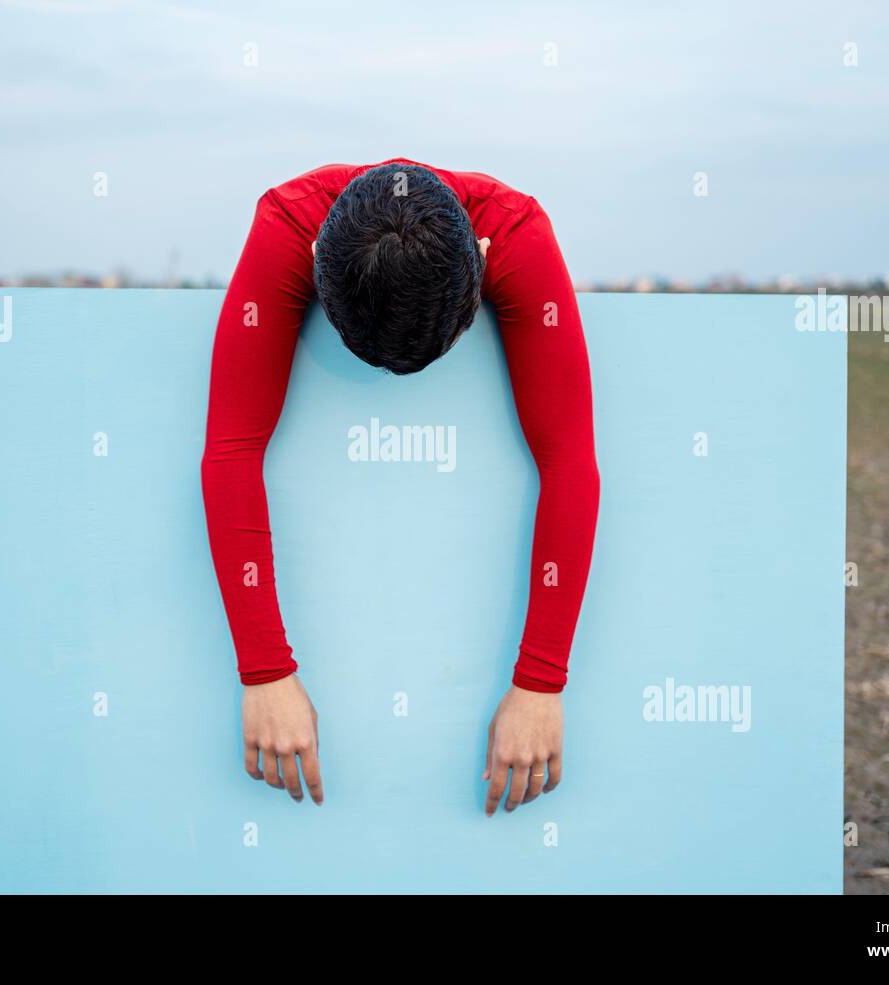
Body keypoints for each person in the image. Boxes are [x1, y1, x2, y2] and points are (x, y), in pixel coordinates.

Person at [201, 158, 600, 816]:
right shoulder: (288, 224)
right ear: (314, 266)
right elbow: (231, 452)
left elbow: (569, 460)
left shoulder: (514, 230)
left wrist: (541, 683)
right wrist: (264, 669)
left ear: (483, 259)